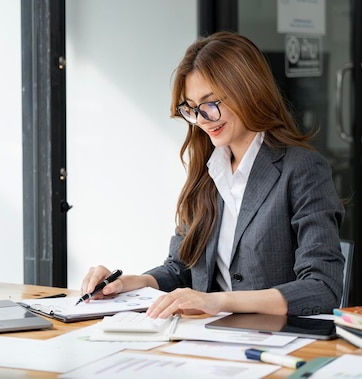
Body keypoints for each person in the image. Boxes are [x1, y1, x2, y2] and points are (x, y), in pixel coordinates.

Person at [80, 31, 345, 318]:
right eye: (192, 109)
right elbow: (181, 268)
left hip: (276, 344)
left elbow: (322, 287)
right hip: (210, 340)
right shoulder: (208, 171)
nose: (202, 120)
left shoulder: (301, 168)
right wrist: (136, 283)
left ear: (248, 89)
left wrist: (219, 301)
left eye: (210, 103)